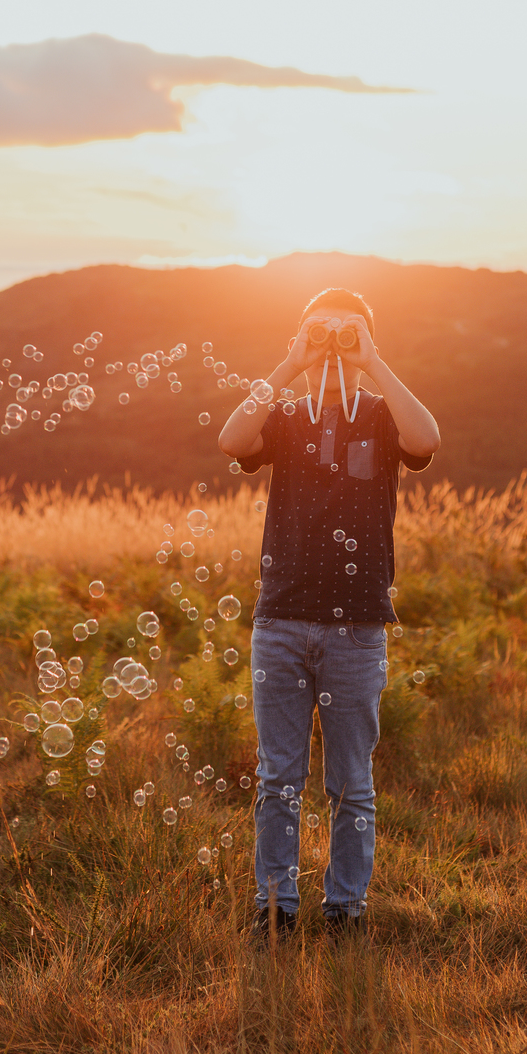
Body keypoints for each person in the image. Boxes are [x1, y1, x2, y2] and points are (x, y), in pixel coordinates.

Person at [217, 287, 439, 938]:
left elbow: (428, 437)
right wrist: (291, 363)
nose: (331, 345)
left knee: (351, 781)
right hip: (280, 619)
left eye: (345, 334)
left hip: (357, 627)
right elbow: (230, 439)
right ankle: (276, 908)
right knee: (278, 776)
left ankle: (345, 908)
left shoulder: (379, 414)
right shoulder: (285, 417)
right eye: (318, 333)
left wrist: (373, 361)